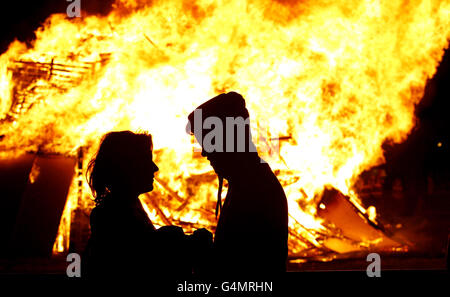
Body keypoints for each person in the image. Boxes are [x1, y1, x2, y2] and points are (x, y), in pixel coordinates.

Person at [83, 130, 209, 278]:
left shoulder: (126, 206)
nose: (154, 168)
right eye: (146, 160)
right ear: (127, 166)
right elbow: (145, 259)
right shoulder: (113, 215)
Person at [186, 92, 289, 274]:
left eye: (208, 142)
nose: (203, 153)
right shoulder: (247, 180)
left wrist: (203, 251)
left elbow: (238, 267)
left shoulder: (254, 189)